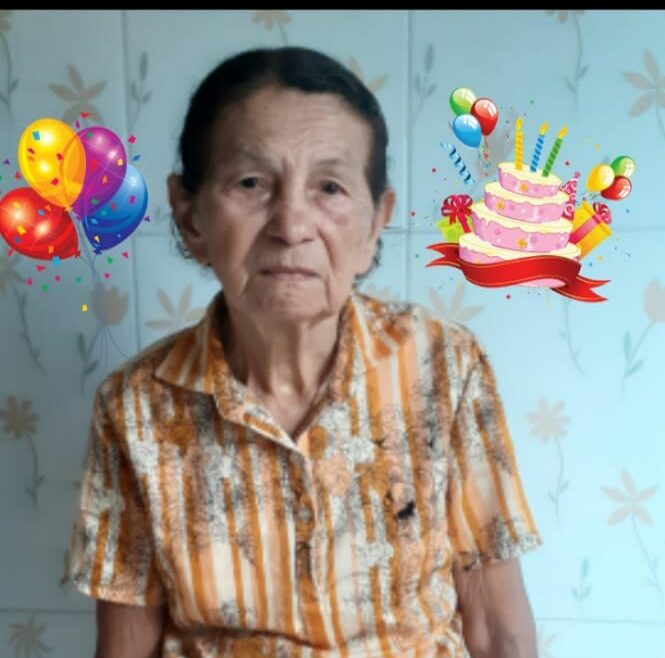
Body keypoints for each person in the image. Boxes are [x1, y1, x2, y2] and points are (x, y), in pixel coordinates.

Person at [63, 46, 543, 658]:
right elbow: (126, 649)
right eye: (251, 183)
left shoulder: (443, 369)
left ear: (375, 223)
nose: (291, 226)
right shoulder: (134, 409)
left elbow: (498, 632)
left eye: (330, 187)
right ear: (189, 215)